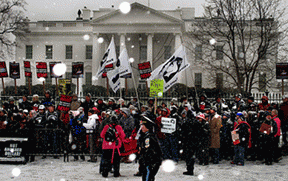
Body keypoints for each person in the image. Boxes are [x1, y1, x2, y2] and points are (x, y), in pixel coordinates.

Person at [139, 116, 162, 181]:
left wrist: (145, 161)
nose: (141, 127)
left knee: (148, 178)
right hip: (150, 162)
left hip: (150, 162)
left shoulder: (149, 137)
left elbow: (148, 151)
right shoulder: (147, 136)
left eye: (143, 125)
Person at [181, 110, 200, 175]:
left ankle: (189, 169)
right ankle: (191, 168)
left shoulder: (186, 122)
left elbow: (183, 131)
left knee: (188, 156)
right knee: (192, 155)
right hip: (194, 141)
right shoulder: (196, 122)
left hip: (187, 141)